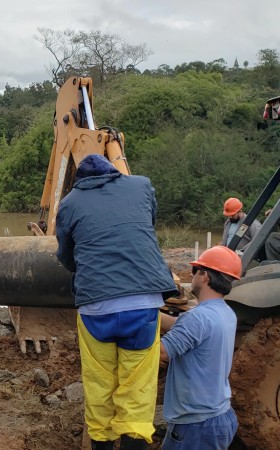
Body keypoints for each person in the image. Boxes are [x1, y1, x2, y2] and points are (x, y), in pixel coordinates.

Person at [55, 154, 178, 450]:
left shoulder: (71, 202)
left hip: (96, 310)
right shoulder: (141, 186)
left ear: (79, 182)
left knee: (99, 385)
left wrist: (85, 266)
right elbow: (145, 225)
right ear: (113, 173)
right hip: (142, 306)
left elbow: (65, 255)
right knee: (137, 388)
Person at [159, 246, 240, 449]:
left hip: (195, 425)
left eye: (195, 271)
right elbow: (181, 325)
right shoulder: (225, 312)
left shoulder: (197, 318)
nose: (192, 275)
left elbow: (160, 352)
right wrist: (148, 315)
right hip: (221, 416)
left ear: (205, 276)